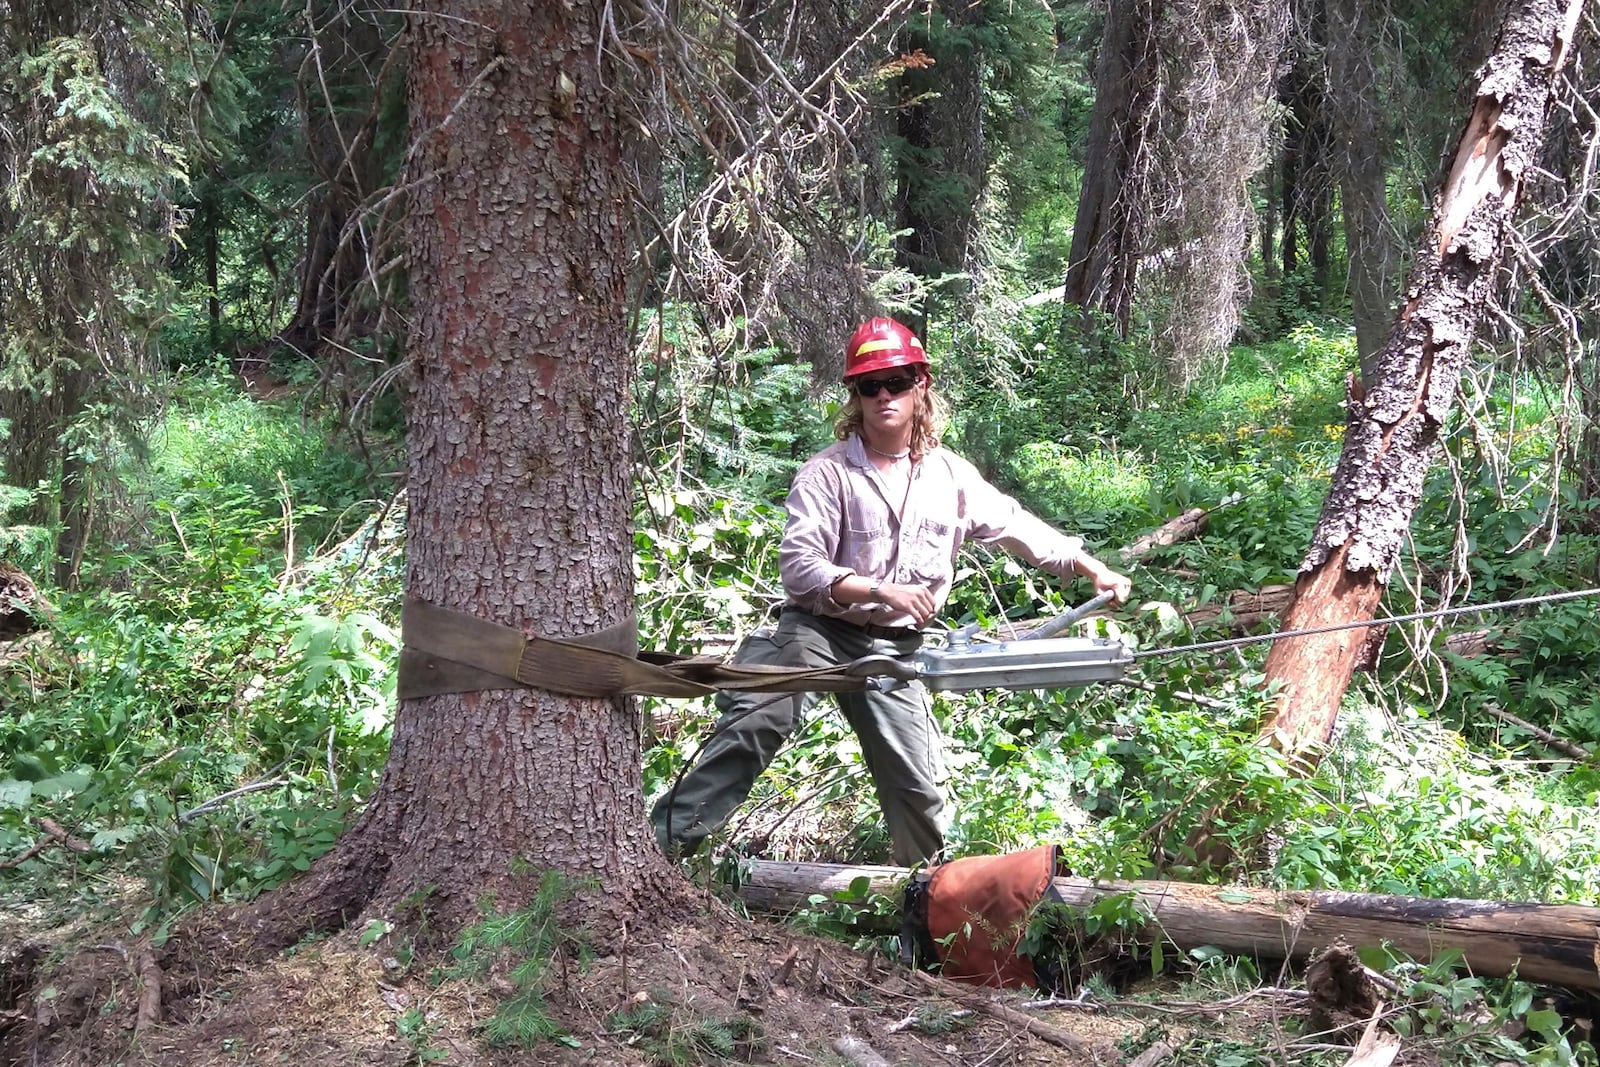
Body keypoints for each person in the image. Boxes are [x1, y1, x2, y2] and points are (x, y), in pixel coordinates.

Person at [651, 316, 1132, 866]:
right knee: (757, 720)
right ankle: (657, 854)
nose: (884, 395)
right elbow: (800, 569)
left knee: (917, 787)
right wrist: (883, 590)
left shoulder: (950, 476)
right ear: (854, 395)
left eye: (897, 382)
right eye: (869, 385)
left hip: (894, 651)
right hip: (817, 632)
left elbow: (1016, 525)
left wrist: (1093, 568)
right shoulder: (827, 474)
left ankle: (926, 904)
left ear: (920, 385)